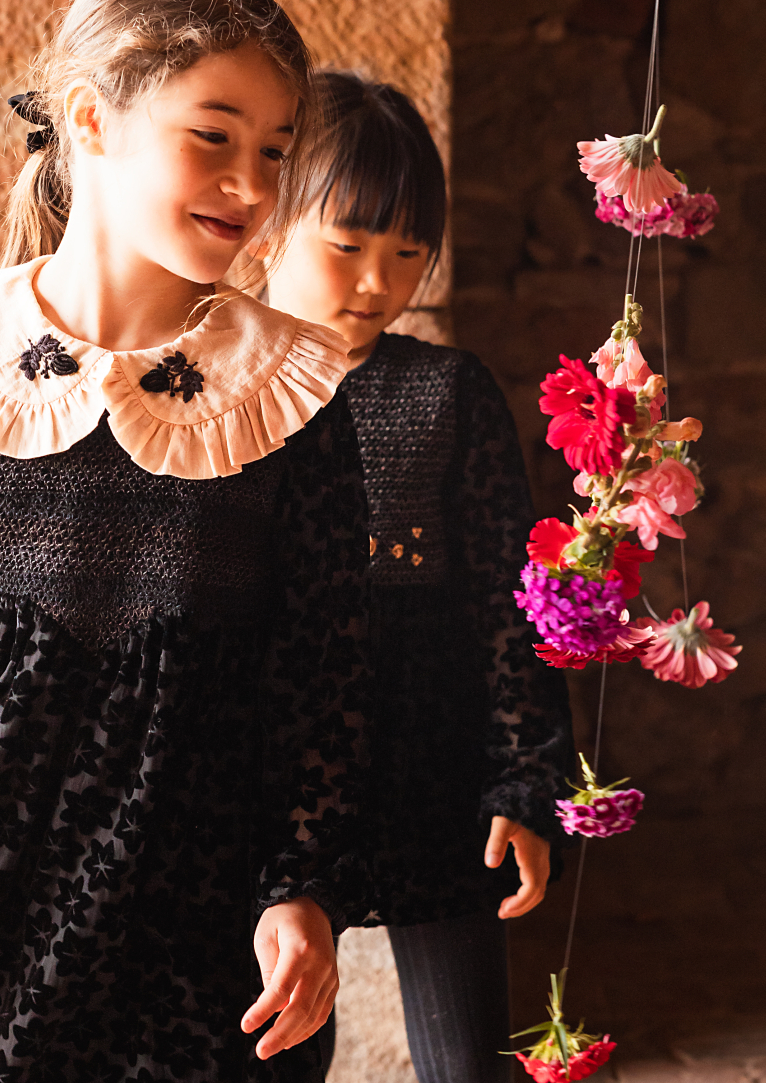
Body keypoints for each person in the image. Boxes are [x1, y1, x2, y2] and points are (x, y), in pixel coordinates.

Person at [0, 0, 375, 1081]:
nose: (251, 184)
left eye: (276, 150)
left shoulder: (290, 390)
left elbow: (327, 676)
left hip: (201, 933)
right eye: (214, 136)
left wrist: (302, 888)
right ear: (92, 119)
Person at [261, 70, 575, 1083]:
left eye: (408, 253)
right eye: (347, 245)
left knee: (466, 1062)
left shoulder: (449, 393)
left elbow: (509, 607)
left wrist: (525, 780)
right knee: (271, 1053)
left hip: (433, 779)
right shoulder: (214, 394)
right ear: (270, 222)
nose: (377, 282)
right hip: (267, 792)